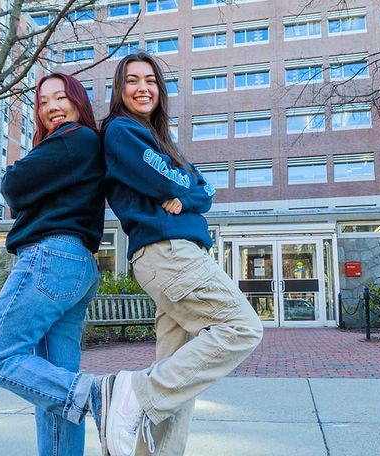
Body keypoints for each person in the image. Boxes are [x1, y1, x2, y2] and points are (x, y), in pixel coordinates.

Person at [97, 52, 264, 456]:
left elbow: (204, 190)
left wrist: (186, 196)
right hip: (168, 253)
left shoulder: (159, 139)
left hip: (175, 255)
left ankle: (143, 436)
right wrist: (187, 190)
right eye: (132, 81)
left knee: (180, 381)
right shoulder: (122, 132)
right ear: (119, 89)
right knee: (242, 327)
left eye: (151, 81)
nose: (143, 88)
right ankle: (134, 394)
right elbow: (168, 180)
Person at [0, 72, 107, 456]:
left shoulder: (75, 137)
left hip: (51, 258)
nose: (52, 107)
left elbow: (14, 185)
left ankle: (100, 396)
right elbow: (24, 194)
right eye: (43, 101)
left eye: (60, 97)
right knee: (57, 399)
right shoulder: (83, 147)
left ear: (78, 101)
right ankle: (83, 396)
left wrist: (22, 186)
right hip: (76, 266)